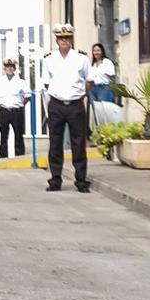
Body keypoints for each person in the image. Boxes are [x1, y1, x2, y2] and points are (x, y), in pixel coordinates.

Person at [40, 24, 93, 193]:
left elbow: (89, 80)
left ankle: (81, 180)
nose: (64, 41)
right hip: (56, 104)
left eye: (67, 38)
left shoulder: (82, 58)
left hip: (76, 105)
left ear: (71, 39)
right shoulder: (48, 59)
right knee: (55, 143)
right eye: (61, 38)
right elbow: (47, 82)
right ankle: (55, 179)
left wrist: (80, 95)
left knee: (78, 143)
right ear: (56, 40)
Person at [0, 59, 31, 159]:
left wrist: (21, 104)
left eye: (11, 67)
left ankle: (19, 153)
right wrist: (1, 104)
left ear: (15, 69)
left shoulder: (21, 82)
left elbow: (27, 96)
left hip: (16, 111)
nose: (9, 68)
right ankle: (3, 154)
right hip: (4, 110)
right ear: (4, 68)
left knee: (18, 133)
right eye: (7, 67)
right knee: (4, 134)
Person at [88, 41, 122, 129]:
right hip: (93, 89)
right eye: (94, 51)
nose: (96, 52)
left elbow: (111, 75)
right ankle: (100, 132)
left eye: (98, 50)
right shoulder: (92, 64)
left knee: (104, 111)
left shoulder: (107, 62)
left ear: (102, 51)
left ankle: (107, 130)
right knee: (96, 112)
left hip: (104, 88)